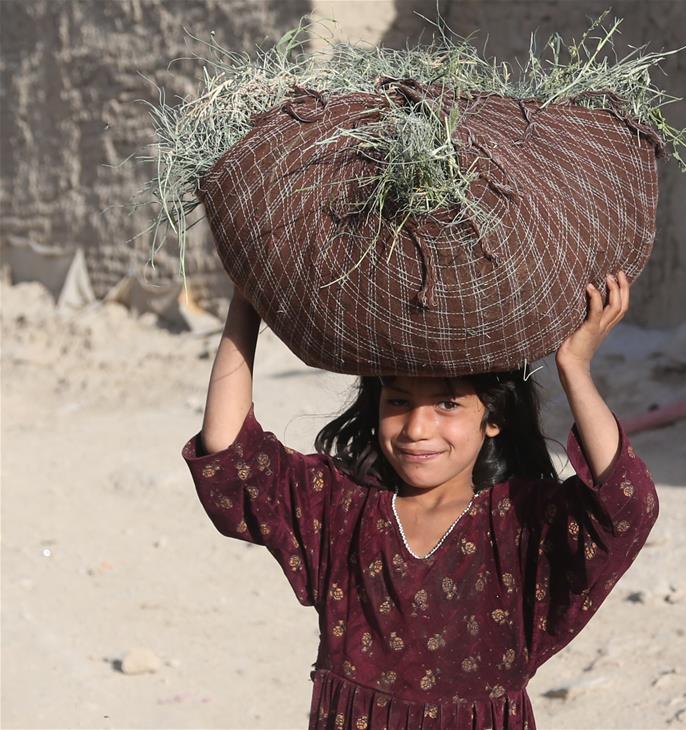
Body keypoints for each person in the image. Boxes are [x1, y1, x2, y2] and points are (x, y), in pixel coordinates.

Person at [182, 270, 659, 728]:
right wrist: (245, 303)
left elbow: (626, 503)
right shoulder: (340, 510)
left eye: (448, 403)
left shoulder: (519, 522)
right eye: (398, 401)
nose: (416, 428)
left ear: (493, 419)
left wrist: (574, 367)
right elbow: (229, 458)